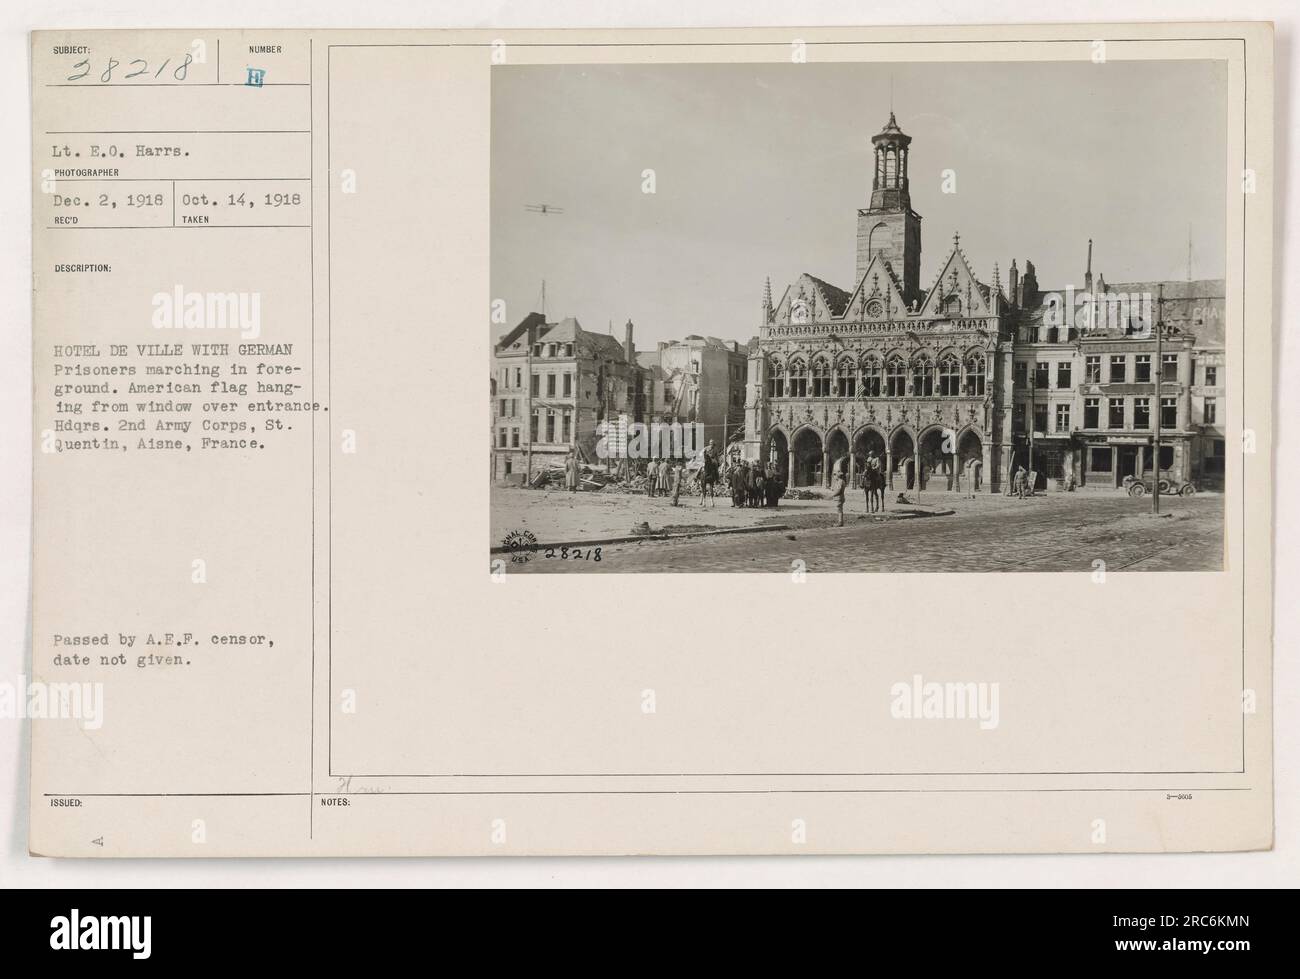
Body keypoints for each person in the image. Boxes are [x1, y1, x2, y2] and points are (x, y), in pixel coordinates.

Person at [830, 457, 848, 527]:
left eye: (835, 475)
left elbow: (838, 490)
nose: (834, 476)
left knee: (839, 510)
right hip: (839, 498)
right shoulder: (840, 481)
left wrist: (832, 495)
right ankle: (840, 521)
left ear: (838, 475)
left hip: (839, 498)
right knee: (839, 510)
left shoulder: (840, 481)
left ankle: (840, 522)